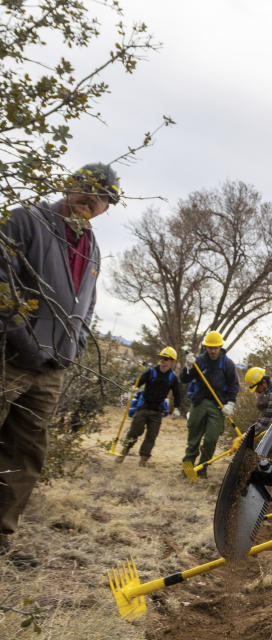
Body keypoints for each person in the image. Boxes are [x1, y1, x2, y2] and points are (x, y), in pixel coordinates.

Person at [0, 163, 119, 560]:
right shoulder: (26, 220)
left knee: (27, 452)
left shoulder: (93, 246)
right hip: (9, 358)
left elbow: (87, 304)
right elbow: (3, 283)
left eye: (101, 196)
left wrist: (75, 346)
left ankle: (1, 534)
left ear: (107, 206)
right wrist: (23, 339)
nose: (91, 199)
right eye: (84, 188)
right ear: (68, 186)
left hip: (53, 367)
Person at [180, 330, 238, 478]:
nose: (212, 350)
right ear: (206, 347)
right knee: (193, 439)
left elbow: (234, 385)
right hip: (199, 402)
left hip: (218, 405)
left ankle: (202, 470)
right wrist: (188, 367)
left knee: (211, 439)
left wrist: (231, 403)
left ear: (220, 347)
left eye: (215, 348)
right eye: (209, 347)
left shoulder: (228, 364)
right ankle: (187, 470)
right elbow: (184, 379)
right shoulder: (199, 361)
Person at [117, 347, 183, 466]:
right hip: (143, 407)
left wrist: (177, 408)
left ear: (171, 361)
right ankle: (124, 452)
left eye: (166, 359)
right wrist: (131, 390)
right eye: (161, 358)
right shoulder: (151, 371)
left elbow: (177, 393)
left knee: (151, 436)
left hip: (157, 411)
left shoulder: (172, 377)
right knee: (134, 432)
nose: (163, 360)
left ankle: (143, 459)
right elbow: (138, 383)